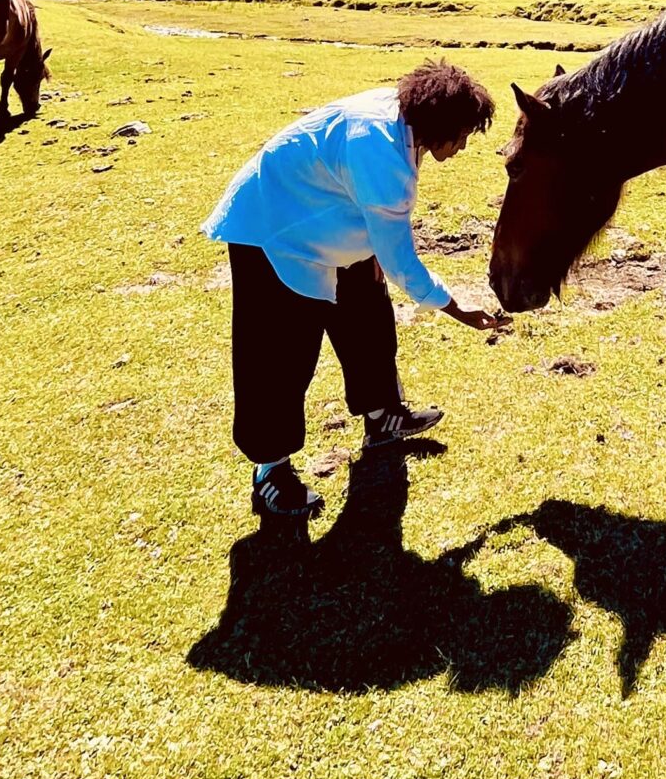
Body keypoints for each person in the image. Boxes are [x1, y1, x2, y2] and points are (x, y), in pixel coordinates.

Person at [204, 59, 502, 521]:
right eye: (460, 135)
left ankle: (382, 416)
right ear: (438, 125)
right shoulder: (379, 152)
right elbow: (401, 258)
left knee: (368, 320)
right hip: (274, 230)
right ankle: (271, 471)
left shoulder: (404, 118)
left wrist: (374, 255)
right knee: (279, 354)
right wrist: (456, 307)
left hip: (324, 219)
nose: (462, 147)